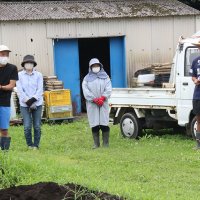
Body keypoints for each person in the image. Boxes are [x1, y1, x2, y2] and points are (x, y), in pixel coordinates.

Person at [82, 58, 112, 149]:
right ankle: (96, 144)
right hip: (92, 104)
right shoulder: (86, 79)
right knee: (94, 123)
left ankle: (106, 144)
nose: (96, 67)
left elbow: (108, 88)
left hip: (103, 103)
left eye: (97, 66)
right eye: (94, 66)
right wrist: (94, 99)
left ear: (100, 66)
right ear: (90, 67)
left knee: (104, 123)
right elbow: (85, 91)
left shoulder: (105, 77)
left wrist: (103, 97)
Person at [16, 55, 43, 150]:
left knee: (37, 126)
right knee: (27, 126)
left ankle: (36, 145)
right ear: (23, 64)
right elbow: (19, 90)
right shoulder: (19, 75)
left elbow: (40, 90)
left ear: (33, 64)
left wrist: (32, 100)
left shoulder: (39, 75)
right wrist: (28, 101)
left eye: (31, 63)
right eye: (27, 63)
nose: (29, 64)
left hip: (37, 103)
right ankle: (29, 144)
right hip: (24, 104)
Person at [0, 45, 18, 150]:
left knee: (4, 129)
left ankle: (5, 152)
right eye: (3, 54)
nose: (5, 56)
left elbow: (11, 85)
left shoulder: (12, 68)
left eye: (7, 54)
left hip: (5, 102)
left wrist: (1, 87)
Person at [190, 41, 200, 149]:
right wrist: (195, 80)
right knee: (198, 120)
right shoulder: (195, 61)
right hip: (197, 96)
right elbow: (192, 76)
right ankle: (198, 144)